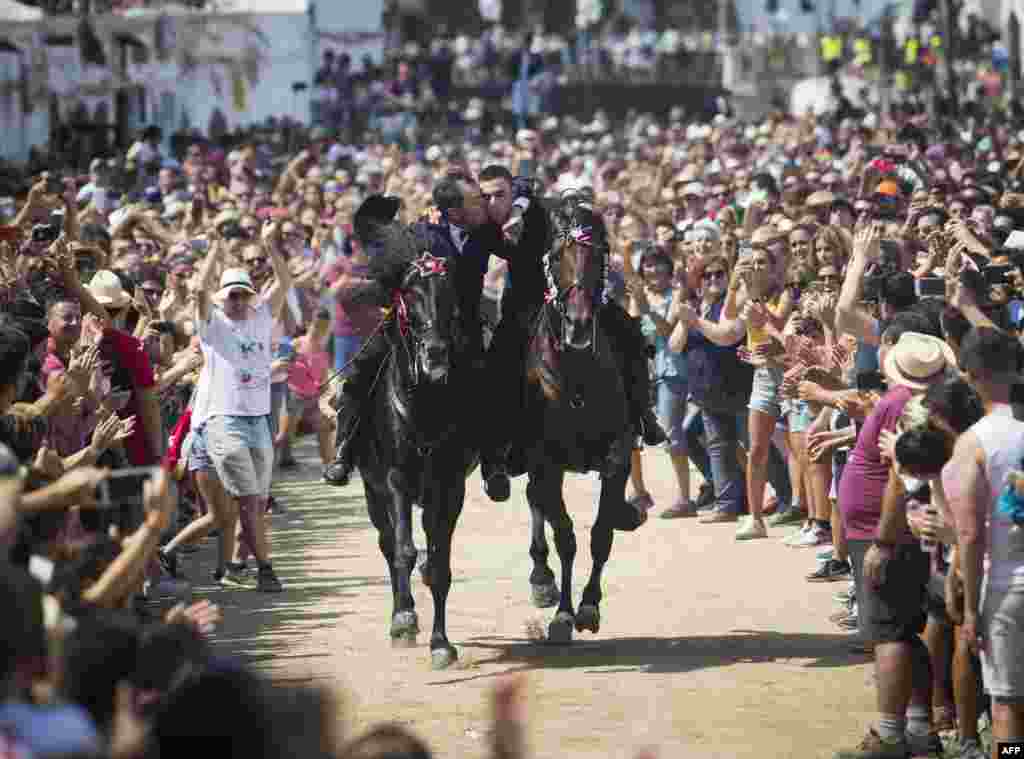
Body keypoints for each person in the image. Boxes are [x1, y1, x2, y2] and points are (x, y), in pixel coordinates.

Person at [323, 177, 500, 487]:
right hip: (410, 325)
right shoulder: (417, 236)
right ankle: (344, 452)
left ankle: (493, 460)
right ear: (453, 210)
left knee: (493, 377)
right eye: (474, 200)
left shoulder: (485, 229)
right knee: (362, 372)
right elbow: (386, 279)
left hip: (463, 327)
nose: (482, 204)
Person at [189, 222, 292, 592]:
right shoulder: (212, 324)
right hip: (223, 421)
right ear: (222, 297)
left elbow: (284, 280)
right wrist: (215, 252)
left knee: (258, 502)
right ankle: (265, 568)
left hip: (258, 421)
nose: (237, 300)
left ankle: (238, 567)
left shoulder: (261, 316)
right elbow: (199, 290)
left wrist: (269, 243)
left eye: (242, 294)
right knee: (248, 500)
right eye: (231, 295)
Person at [945, 327, 1024, 757]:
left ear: (970, 374)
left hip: (1007, 587)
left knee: (1008, 706)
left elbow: (970, 533)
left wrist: (970, 607)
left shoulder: (974, 442)